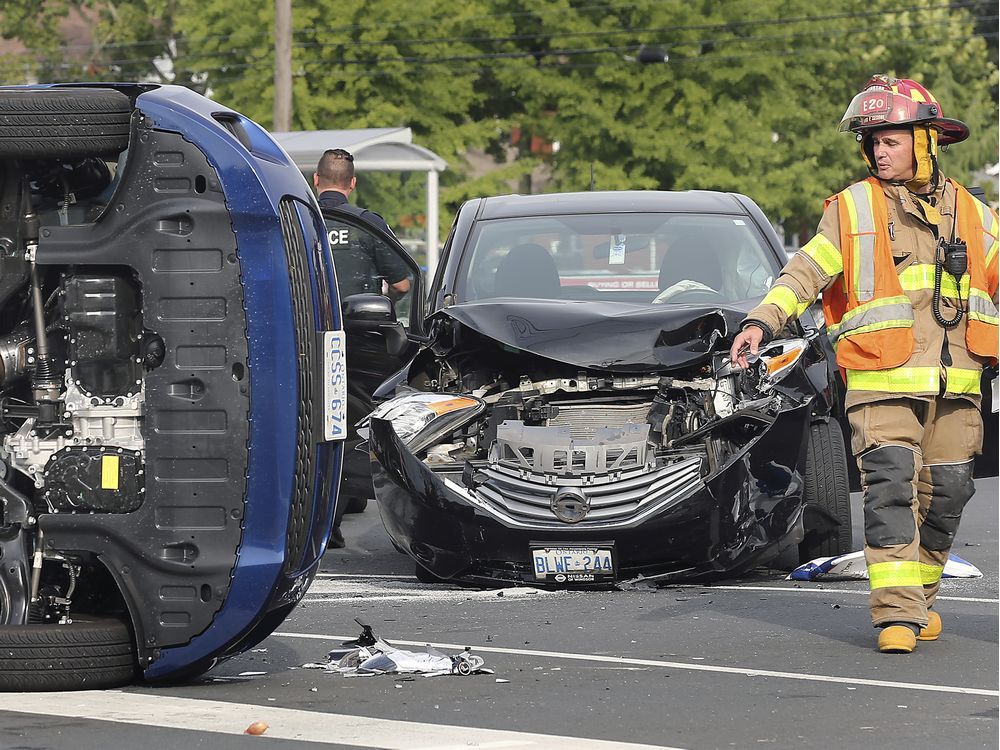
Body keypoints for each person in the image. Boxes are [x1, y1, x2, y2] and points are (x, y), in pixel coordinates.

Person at [730, 75, 998, 654]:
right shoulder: (851, 209)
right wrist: (761, 322)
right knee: (891, 488)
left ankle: (917, 597)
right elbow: (805, 272)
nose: (879, 150)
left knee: (949, 493)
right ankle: (895, 615)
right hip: (880, 382)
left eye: (891, 139)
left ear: (926, 141)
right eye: (872, 141)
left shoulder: (977, 216)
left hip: (958, 383)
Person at [314, 148, 411, 301]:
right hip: (359, 323)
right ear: (353, 183)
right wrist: (380, 304)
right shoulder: (369, 224)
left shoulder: (297, 221)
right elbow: (401, 285)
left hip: (305, 323)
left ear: (316, 179)